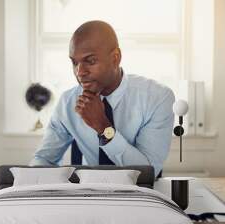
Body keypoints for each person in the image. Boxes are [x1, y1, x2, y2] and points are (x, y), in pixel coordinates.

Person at [30, 20, 175, 177]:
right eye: (74, 63)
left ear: (115, 58)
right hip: (86, 197)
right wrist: (33, 177)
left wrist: (103, 127)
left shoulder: (157, 98)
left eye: (90, 61)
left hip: (139, 198)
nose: (80, 72)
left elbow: (147, 174)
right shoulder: (67, 102)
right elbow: (44, 159)